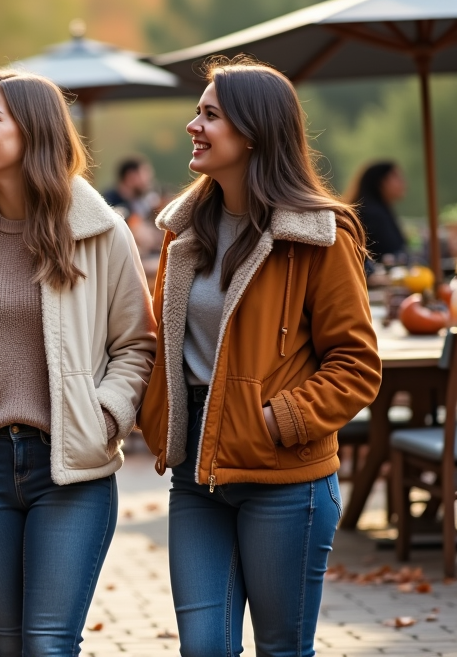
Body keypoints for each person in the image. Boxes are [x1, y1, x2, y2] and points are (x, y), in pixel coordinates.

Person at [137, 56, 381, 657]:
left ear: (253, 132)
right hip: (197, 474)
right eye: (197, 113)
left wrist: (279, 420)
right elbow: (163, 344)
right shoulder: (184, 230)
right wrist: (154, 416)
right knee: (203, 648)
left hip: (285, 480)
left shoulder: (320, 235)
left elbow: (355, 364)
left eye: (210, 115)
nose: (194, 126)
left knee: (282, 649)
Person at [0, 71, 157, 656]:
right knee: (10, 646)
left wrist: (106, 414)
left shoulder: (100, 232)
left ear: (35, 130)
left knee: (47, 646)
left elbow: (136, 344)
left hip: (70, 469)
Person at [347, 160, 407, 262]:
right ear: (380, 182)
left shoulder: (380, 209)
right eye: (396, 177)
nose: (403, 182)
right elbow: (388, 250)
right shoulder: (372, 214)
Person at [103, 156, 155, 220]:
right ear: (131, 176)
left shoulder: (141, 201)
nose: (148, 180)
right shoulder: (108, 203)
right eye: (144, 174)